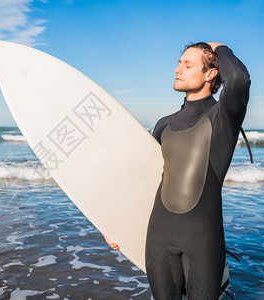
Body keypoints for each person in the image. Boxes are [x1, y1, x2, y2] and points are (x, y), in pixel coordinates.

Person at [105, 42, 250, 299]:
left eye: (187, 64)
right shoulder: (164, 124)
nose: (177, 69)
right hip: (159, 238)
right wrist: (114, 223)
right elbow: (144, 180)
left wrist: (221, 48)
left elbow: (238, 79)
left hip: (203, 241)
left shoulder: (223, 116)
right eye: (178, 62)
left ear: (211, 74)